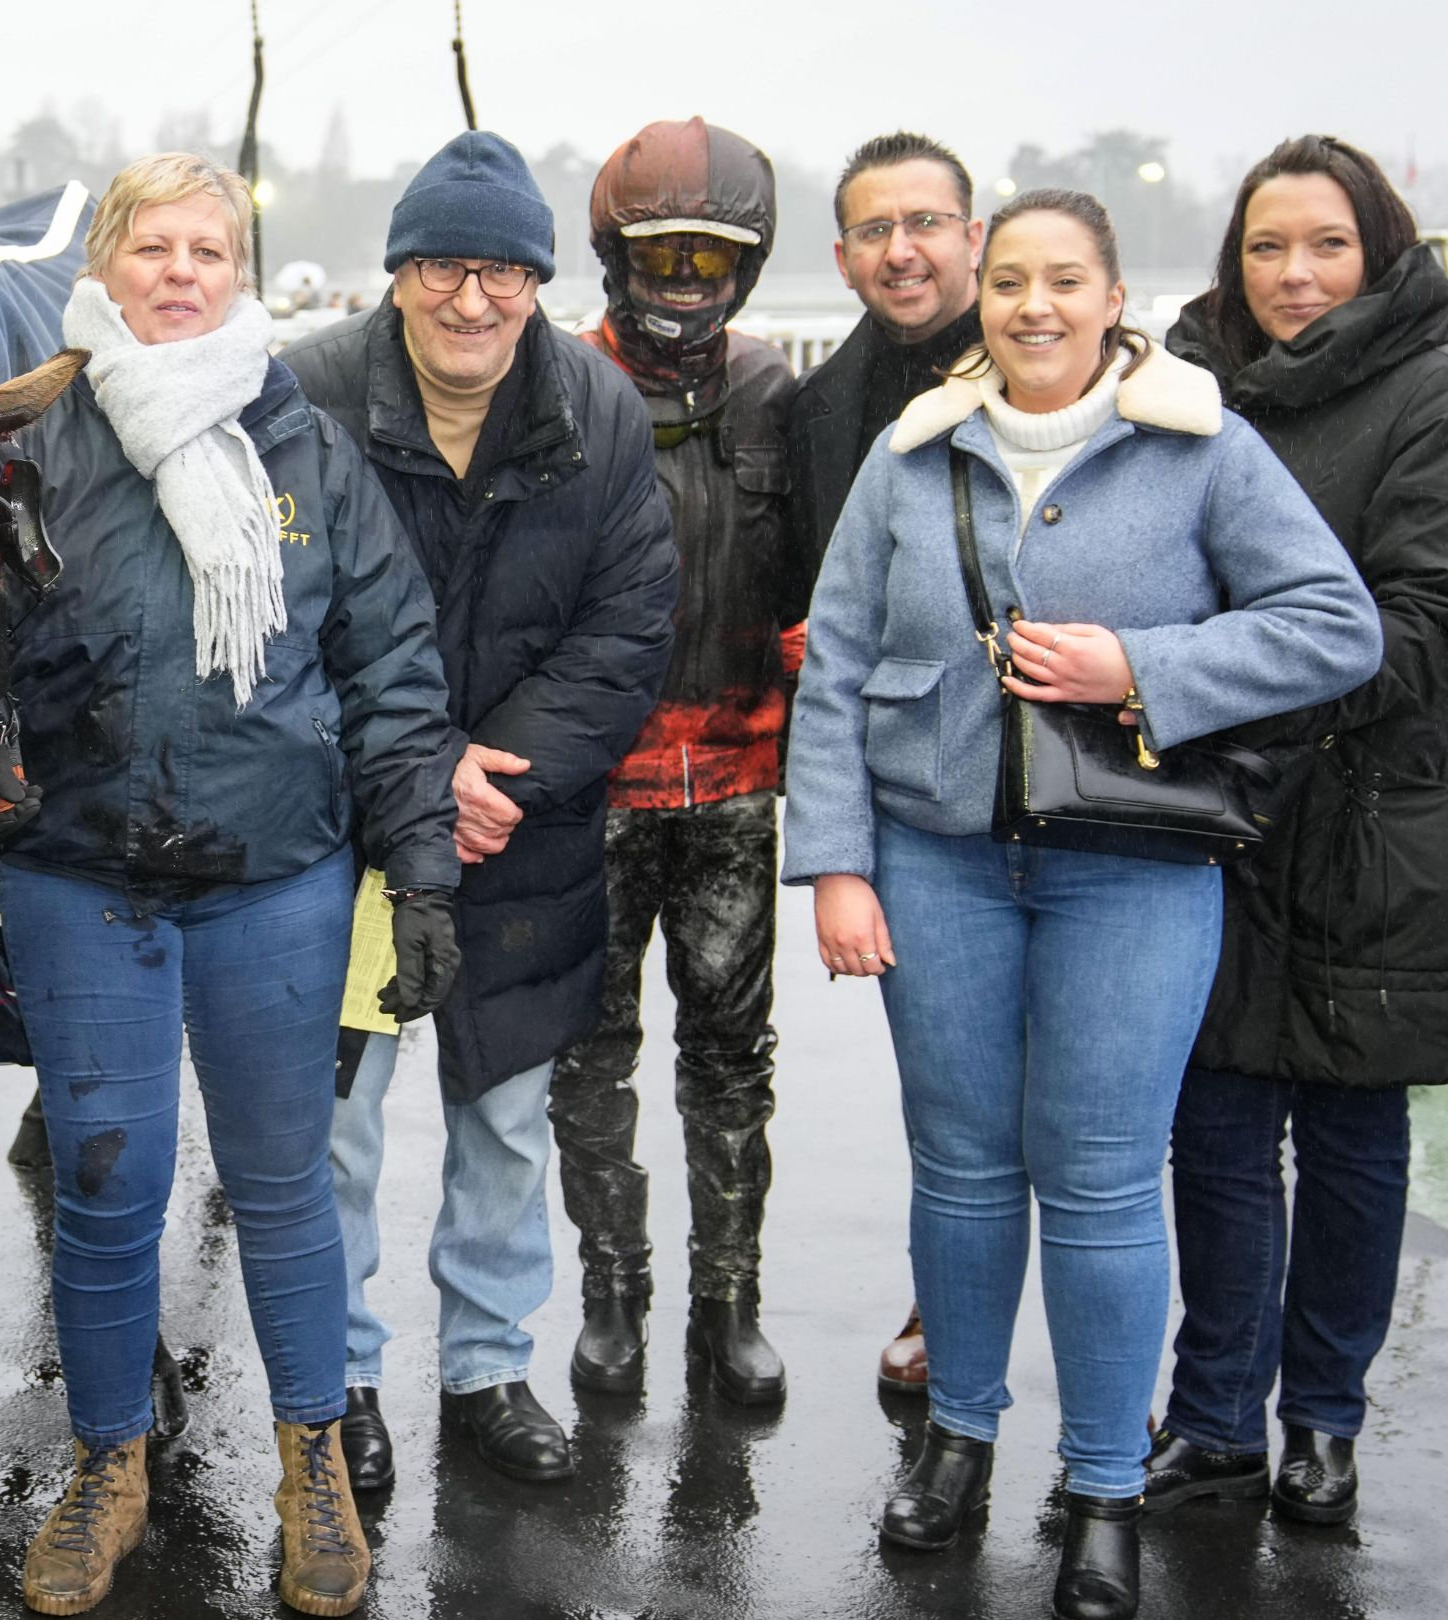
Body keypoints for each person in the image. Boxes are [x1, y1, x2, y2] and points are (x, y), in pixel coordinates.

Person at [787, 188, 1382, 1620]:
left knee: (1105, 1179)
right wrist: (840, 864)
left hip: (1132, 866)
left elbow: (1334, 624)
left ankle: (1107, 1486)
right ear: (980, 301)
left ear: (1116, 297)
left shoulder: (1201, 448)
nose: (1033, 307)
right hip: (935, 864)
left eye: (1064, 281)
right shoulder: (911, 452)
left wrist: (1143, 667)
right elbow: (839, 658)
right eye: (1009, 284)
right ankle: (961, 1444)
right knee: (964, 1167)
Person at [5, 152, 465, 1619]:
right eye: (155, 247)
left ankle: (311, 1461)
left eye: (211, 248)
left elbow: (394, 677)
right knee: (104, 1189)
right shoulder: (28, 448)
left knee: (287, 1189)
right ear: (111, 263)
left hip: (279, 877)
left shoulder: (307, 450)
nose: (182, 271)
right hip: (84, 879)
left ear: (243, 273)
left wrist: (426, 878)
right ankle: (106, 1467)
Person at [282, 130, 677, 1491]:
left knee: (506, 1117)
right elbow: (272, 628)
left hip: (521, 829)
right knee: (335, 1123)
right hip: (345, 831)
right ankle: (334, 1380)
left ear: (540, 284)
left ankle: (489, 1369)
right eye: (445, 264)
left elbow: (630, 628)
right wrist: (413, 778)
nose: (473, 298)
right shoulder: (310, 393)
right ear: (397, 273)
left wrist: (491, 773)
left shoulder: (598, 407)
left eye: (506, 271)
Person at [1145, 136, 1448, 1527]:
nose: (1293, 275)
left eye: (1325, 245)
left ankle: (1325, 1420)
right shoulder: (1183, 397)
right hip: (1215, 822)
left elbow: (1425, 626)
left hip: (1384, 820)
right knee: (1219, 1124)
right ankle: (1214, 1412)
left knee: (1357, 1135)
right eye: (1265, 247)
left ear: (1381, 251)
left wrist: (1189, 687)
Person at [550, 116, 802, 1409]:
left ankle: (730, 1301)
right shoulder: (563, 384)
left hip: (740, 781)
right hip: (597, 784)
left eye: (713, 258)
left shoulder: (774, 395)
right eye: (664, 255)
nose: (687, 281)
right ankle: (613, 1293)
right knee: (590, 1050)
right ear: (615, 256)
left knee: (730, 1051)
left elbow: (814, 589)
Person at [787, 129, 988, 1398]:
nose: (901, 250)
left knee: (1102, 1118)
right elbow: (829, 611)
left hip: (1091, 788)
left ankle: (1111, 1348)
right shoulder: (821, 410)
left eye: (926, 222)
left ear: (976, 231)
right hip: (924, 792)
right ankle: (947, 1312)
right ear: (844, 253)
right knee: (951, 1094)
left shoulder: (1059, 360)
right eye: (874, 229)